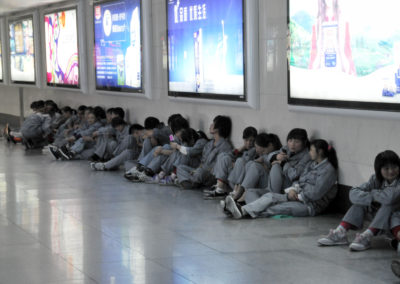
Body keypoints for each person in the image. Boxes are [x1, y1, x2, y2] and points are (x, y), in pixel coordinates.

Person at [225, 139, 338, 219]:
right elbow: (300, 179)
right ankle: (241, 210)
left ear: (320, 152)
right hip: (297, 196)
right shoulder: (312, 164)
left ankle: (243, 210)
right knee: (270, 196)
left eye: (311, 150)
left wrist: (298, 196)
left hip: (309, 205)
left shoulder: (328, 171)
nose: (309, 153)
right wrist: (294, 189)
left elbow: (316, 193)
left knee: (276, 208)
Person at [318, 150, 400, 251]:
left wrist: (373, 194)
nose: (391, 171)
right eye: (386, 168)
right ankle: (340, 232)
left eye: (394, 167)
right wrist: (372, 198)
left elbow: (390, 198)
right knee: (360, 202)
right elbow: (353, 193)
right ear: (379, 170)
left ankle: (367, 236)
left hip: (395, 220)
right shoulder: (375, 179)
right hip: (380, 217)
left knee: (388, 205)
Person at [176, 115, 233, 189]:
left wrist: (177, 146)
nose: (210, 125)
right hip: (200, 170)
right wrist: (196, 170)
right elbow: (202, 162)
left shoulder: (225, 146)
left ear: (218, 128)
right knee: (180, 167)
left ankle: (188, 181)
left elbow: (219, 167)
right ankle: (192, 182)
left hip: (211, 175)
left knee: (199, 172)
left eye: (213, 124)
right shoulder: (209, 144)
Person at [225, 133, 283, 203]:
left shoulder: (278, 154)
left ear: (271, 145)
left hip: (271, 186)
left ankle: (240, 194)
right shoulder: (265, 155)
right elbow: (259, 159)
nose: (257, 150)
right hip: (263, 183)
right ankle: (240, 191)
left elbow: (271, 159)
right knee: (250, 163)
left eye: (264, 150)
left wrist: (265, 166)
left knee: (255, 166)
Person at [203, 126, 258, 198]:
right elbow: (230, 154)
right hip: (233, 179)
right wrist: (240, 149)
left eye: (251, 141)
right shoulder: (244, 149)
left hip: (240, 184)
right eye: (246, 140)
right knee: (223, 155)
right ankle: (220, 187)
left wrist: (235, 164)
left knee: (239, 161)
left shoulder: (255, 150)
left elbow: (246, 164)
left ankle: (231, 191)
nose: (248, 143)